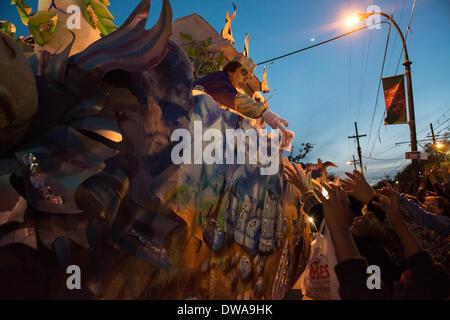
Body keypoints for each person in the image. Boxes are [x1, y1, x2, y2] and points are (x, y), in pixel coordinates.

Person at [193, 54, 289, 132]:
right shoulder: (220, 80)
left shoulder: (224, 84)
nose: (245, 80)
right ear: (231, 70)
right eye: (243, 73)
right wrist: (264, 112)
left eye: (247, 78)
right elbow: (237, 99)